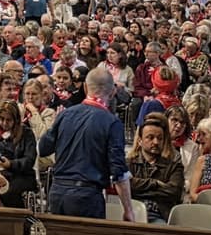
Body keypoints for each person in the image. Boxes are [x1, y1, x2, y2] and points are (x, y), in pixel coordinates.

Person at [37, 66, 134, 219]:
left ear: (85, 86)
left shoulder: (65, 115)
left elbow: (42, 148)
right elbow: (118, 171)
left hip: (57, 193)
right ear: (113, 91)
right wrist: (128, 209)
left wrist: (56, 126)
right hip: (87, 197)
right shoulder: (112, 122)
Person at [127, 114, 185, 223]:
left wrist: (138, 189)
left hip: (159, 215)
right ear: (140, 140)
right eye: (150, 137)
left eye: (160, 138)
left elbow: (174, 192)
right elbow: (126, 185)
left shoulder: (174, 166)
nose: (156, 142)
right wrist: (155, 184)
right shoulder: (129, 163)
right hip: (132, 213)